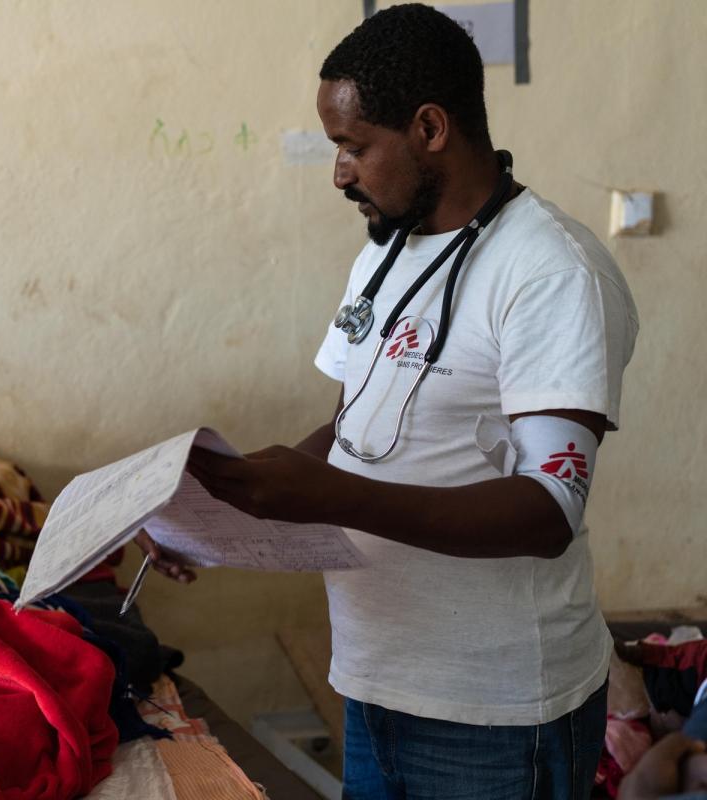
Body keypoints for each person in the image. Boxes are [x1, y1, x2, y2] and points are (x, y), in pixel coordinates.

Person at [142, 5, 639, 798]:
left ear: (431, 128)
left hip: (496, 716)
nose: (340, 172)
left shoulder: (549, 272)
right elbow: (354, 428)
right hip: (376, 684)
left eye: (354, 146)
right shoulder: (390, 254)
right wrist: (209, 515)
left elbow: (550, 510)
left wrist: (333, 498)